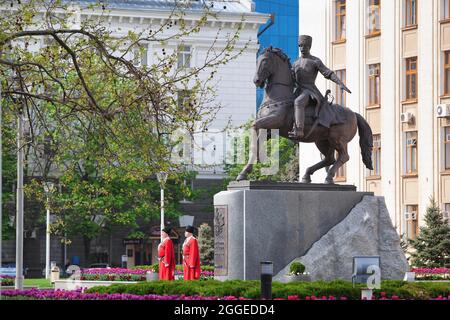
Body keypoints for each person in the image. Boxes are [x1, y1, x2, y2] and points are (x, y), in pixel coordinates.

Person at [289, 35, 351, 139]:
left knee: (298, 102)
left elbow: (328, 73)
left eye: (304, 46)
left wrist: (340, 83)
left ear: (309, 47)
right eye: (300, 46)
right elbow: (291, 79)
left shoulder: (315, 61)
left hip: (310, 91)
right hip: (298, 90)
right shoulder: (295, 63)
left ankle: (299, 129)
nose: (302, 48)